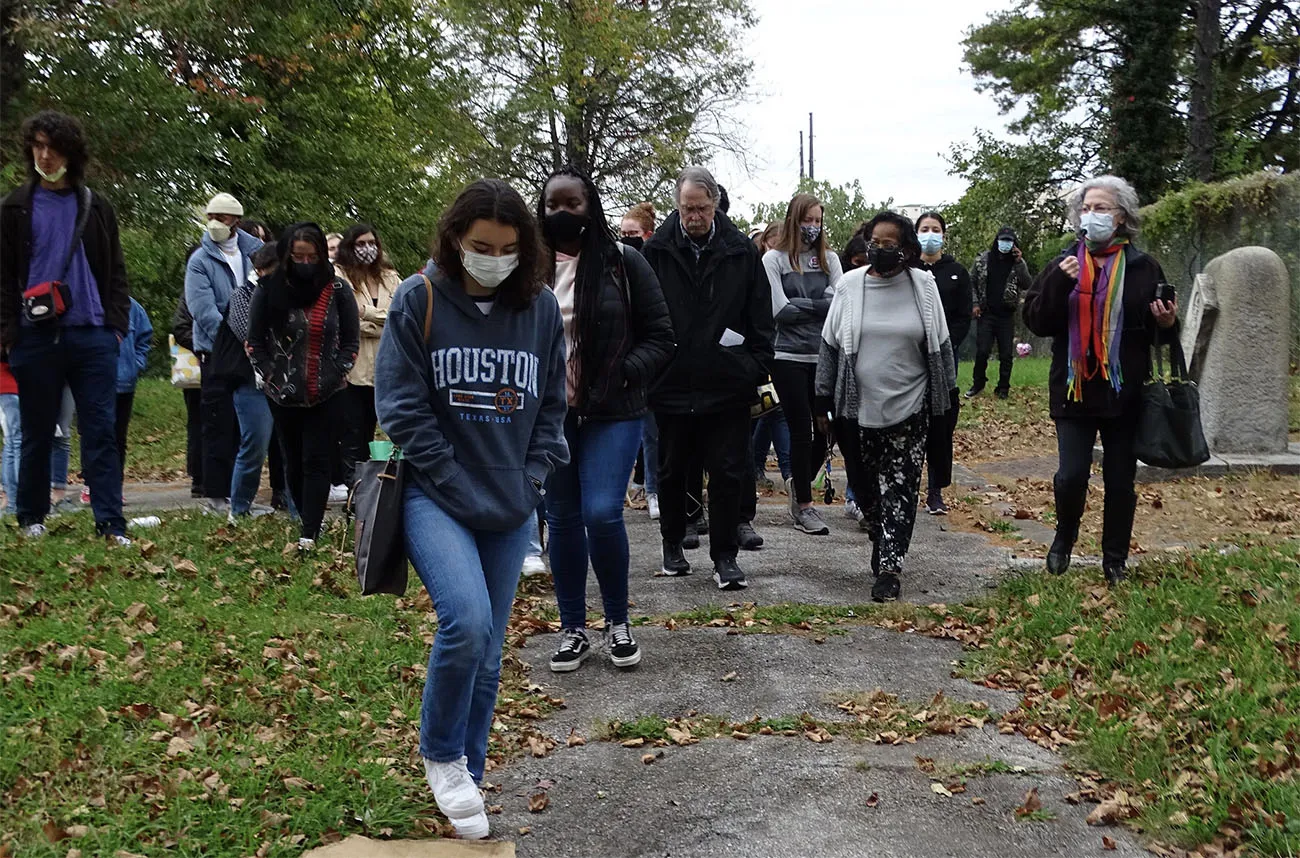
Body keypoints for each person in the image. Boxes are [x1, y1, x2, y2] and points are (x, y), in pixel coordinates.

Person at [374, 179, 568, 841]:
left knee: (489, 653)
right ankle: (440, 751)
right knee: (465, 621)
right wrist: (453, 479)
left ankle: (470, 776)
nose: (494, 257)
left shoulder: (539, 309)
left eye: (509, 248)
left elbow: (552, 410)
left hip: (511, 501)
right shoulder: (417, 299)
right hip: (436, 493)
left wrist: (534, 477)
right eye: (481, 246)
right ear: (455, 240)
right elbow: (399, 408)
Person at [537, 167, 674, 673]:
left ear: (590, 208)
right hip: (551, 415)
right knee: (563, 518)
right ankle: (572, 627)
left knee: (601, 511)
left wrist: (623, 373)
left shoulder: (624, 263)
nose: (563, 213)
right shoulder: (528, 270)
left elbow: (662, 336)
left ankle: (618, 621)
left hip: (614, 410)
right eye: (554, 205)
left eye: (573, 204)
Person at [1023, 176, 1177, 587]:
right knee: (1071, 474)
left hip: (1124, 390)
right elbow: (1037, 321)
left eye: (1103, 208)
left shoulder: (1144, 267)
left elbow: (1159, 332)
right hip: (1074, 388)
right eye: (1087, 208)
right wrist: (1059, 281)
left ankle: (1115, 559)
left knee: (1120, 480)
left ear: (1122, 216)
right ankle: (1064, 537)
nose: (1093, 215)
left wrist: (1166, 322)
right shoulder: (1063, 262)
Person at [0, 110, 131, 543]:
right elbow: (2, 278)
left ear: (71, 153)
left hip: (93, 334)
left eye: (53, 147)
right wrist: (9, 334)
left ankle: (111, 523)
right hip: (34, 335)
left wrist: (115, 327)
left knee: (101, 432)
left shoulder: (97, 207)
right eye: (37, 145)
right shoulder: (15, 207)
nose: (45, 154)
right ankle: (31, 516)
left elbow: (116, 274)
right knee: (37, 431)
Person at [641, 166, 774, 591]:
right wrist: (650, 365)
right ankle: (672, 547)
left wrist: (753, 366)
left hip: (726, 382)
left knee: (728, 471)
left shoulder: (741, 252)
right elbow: (641, 315)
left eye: (700, 208)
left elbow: (761, 320)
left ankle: (725, 558)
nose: (693, 217)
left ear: (715, 204)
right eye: (686, 209)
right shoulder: (656, 251)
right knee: (673, 469)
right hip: (671, 380)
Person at [815, 211, 956, 603]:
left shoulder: (924, 288)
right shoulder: (849, 286)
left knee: (902, 488)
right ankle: (881, 534)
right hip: (857, 411)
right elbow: (829, 347)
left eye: (888, 245)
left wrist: (948, 400)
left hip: (911, 406)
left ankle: (891, 566)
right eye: (873, 243)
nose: (878, 250)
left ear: (906, 250)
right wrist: (822, 401)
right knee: (865, 490)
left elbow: (941, 350)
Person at [246, 223, 359, 548]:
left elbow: (350, 340)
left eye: (312, 256)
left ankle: (310, 530)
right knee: (292, 459)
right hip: (282, 393)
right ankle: (303, 516)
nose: (305, 262)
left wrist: (339, 370)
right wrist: (269, 374)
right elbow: (255, 339)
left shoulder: (338, 290)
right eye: (298, 256)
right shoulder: (268, 289)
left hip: (328, 391)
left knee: (317, 459)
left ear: (322, 255)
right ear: (286, 256)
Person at [763, 192, 843, 535]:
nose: (813, 227)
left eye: (817, 220)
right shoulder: (774, 261)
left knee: (828, 428)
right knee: (800, 429)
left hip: (824, 355)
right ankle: (806, 508)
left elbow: (840, 305)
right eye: (807, 220)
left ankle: (799, 484)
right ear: (794, 220)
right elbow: (779, 311)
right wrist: (818, 304)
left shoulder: (830, 260)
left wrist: (802, 304)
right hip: (787, 357)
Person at [184, 191, 263, 512]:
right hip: (216, 352)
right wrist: (238, 336)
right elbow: (202, 308)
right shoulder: (200, 260)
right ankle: (216, 495)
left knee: (251, 427)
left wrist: (256, 338)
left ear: (236, 221)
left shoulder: (256, 252)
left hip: (255, 351)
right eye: (211, 217)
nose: (215, 223)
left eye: (223, 218)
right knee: (217, 423)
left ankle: (243, 495)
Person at [334, 223, 401, 489]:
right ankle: (355, 489)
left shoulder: (390, 277)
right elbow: (344, 318)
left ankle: (380, 487)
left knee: (385, 431)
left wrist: (368, 315)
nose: (367, 249)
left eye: (371, 242)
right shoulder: (339, 276)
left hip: (386, 369)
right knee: (354, 434)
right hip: (353, 369)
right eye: (360, 244)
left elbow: (399, 316)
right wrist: (379, 324)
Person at [915, 212, 971, 515]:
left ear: (943, 236)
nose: (930, 234)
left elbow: (963, 316)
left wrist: (946, 344)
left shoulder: (957, 272)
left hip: (944, 359)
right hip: (910, 357)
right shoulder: (908, 270)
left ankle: (935, 490)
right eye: (924, 229)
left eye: (935, 229)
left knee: (941, 424)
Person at [618, 202, 664, 520]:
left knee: (652, 431)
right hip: (622, 354)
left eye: (632, 234)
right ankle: (639, 485)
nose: (626, 239)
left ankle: (653, 490)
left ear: (647, 234)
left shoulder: (654, 265)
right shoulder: (614, 265)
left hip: (649, 356)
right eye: (622, 234)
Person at [968, 226, 1032, 400]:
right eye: (1003, 240)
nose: (1005, 244)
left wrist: (1020, 262)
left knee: (1006, 354)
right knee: (982, 351)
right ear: (997, 240)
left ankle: (1003, 387)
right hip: (986, 312)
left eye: (1009, 241)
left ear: (1014, 243)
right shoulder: (983, 260)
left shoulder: (1016, 263)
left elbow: (1027, 283)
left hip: (1006, 314)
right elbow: (971, 282)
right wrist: (974, 304)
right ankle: (978, 383)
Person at [114, 296, 153, 472]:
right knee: (94, 434)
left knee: (118, 436)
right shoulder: (88, 303)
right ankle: (91, 482)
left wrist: (135, 365)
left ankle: (116, 482)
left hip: (124, 383)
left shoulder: (133, 308)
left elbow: (144, 339)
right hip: (93, 383)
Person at [0, 358, 18, 514]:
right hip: (8, 386)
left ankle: (12, 501)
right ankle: (15, 502)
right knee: (16, 442)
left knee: (12, 442)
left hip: (10, 387)